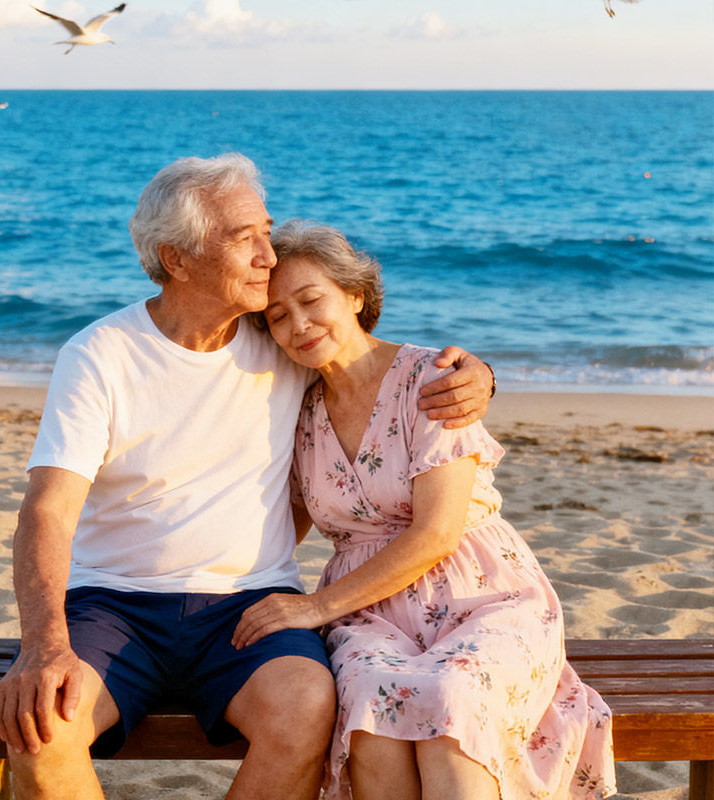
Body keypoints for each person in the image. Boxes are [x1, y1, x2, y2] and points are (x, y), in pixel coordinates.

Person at [0, 153, 495, 800]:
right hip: (112, 604)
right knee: (42, 729)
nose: (268, 256)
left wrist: (475, 375)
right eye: (245, 238)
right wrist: (42, 645)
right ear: (176, 258)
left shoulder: (283, 341)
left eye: (267, 230)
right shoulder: (100, 356)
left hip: (247, 605)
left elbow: (374, 361)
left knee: (305, 705)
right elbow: (48, 511)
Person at [232, 220, 617, 800]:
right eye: (277, 316)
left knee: (453, 697)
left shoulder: (432, 380)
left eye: (312, 300)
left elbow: (437, 533)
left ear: (355, 296)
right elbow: (281, 525)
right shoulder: (299, 409)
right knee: (371, 704)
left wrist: (315, 607)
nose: (299, 324)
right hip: (370, 612)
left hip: (481, 593)